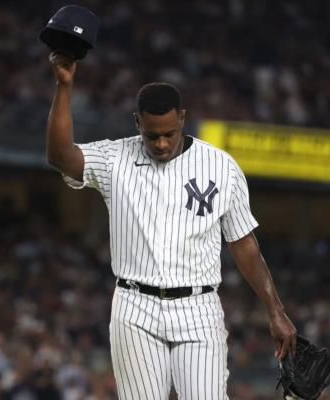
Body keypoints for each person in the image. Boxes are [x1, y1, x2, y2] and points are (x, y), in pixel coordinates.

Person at [46, 52, 297, 400]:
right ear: (137, 123)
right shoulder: (115, 158)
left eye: (169, 133)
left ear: (182, 118)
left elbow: (244, 243)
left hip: (198, 306)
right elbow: (60, 157)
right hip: (134, 307)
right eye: (152, 136)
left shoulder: (221, 166)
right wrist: (64, 85)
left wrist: (276, 311)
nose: (161, 143)